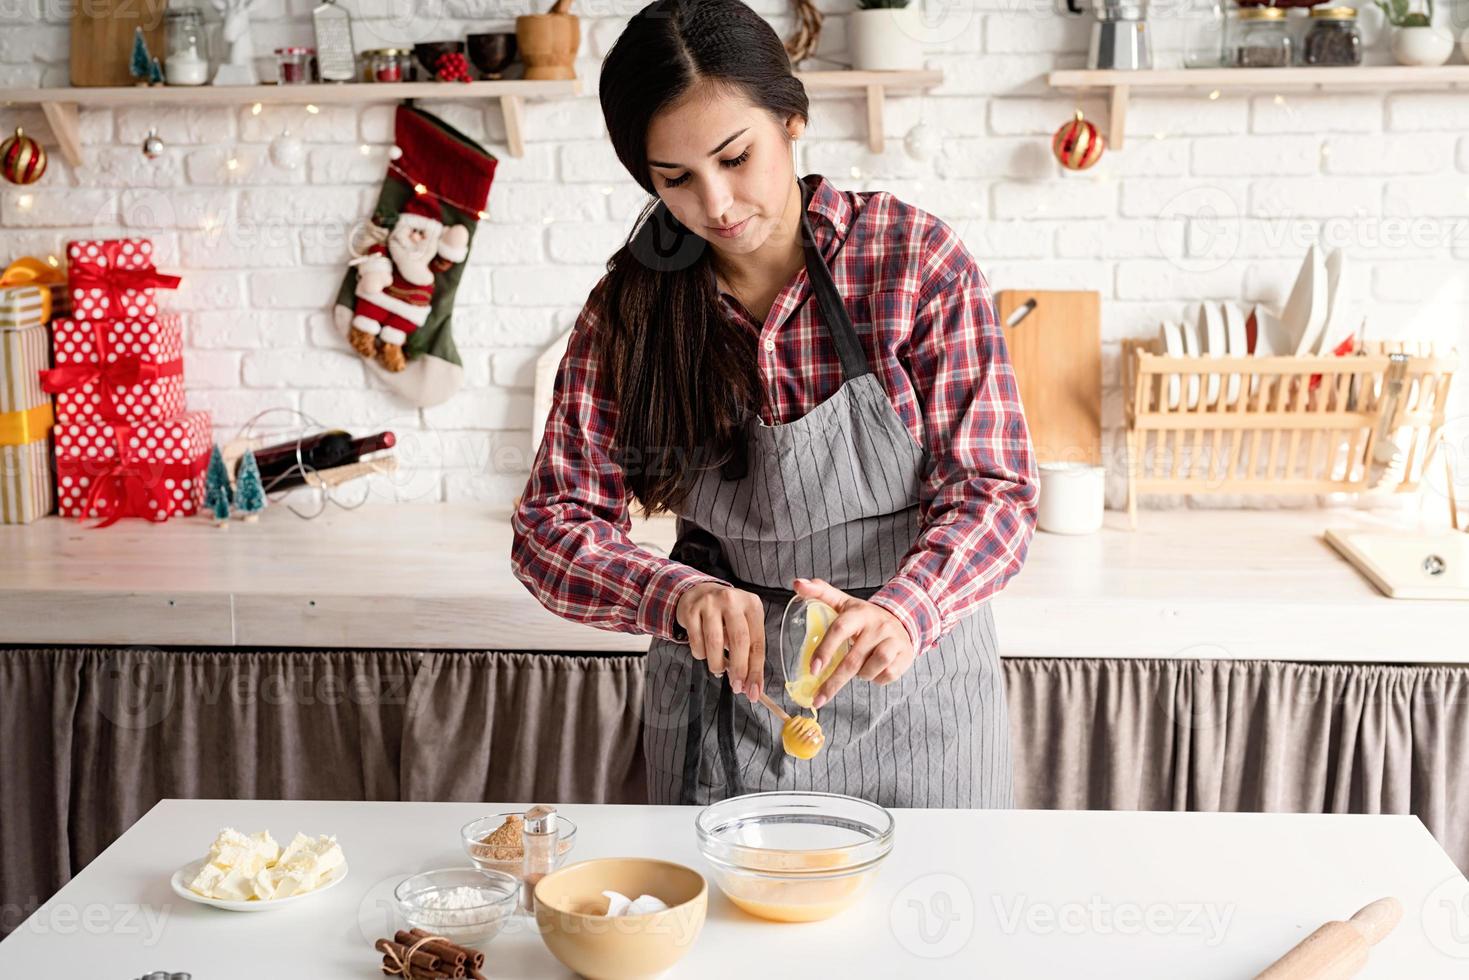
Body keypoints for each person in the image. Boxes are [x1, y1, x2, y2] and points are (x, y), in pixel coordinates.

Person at [511, 0, 1038, 808]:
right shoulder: (630, 310)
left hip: (918, 685)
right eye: (675, 179)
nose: (716, 205)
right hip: (722, 696)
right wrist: (675, 595)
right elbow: (550, 525)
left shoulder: (910, 263)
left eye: (735, 156)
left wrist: (907, 608)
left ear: (791, 119)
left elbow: (995, 495)